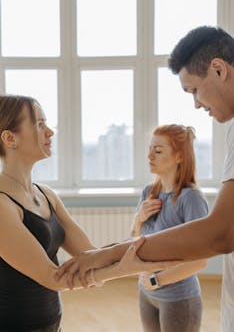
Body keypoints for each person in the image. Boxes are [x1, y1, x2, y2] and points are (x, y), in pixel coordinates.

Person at [56, 26, 234, 332]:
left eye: (193, 90)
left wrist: (110, 258)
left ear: (218, 69)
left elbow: (221, 232)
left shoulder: (190, 196)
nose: (196, 104)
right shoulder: (151, 192)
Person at [0, 94, 177, 332]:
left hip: (51, 322)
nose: (50, 132)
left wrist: (133, 242)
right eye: (39, 124)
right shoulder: (2, 205)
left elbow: (90, 256)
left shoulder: (47, 195)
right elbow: (53, 277)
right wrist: (123, 268)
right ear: (10, 138)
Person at [131, 124, 208, 332]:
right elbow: (134, 243)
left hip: (179, 298)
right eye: (149, 149)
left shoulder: (191, 199)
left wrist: (157, 280)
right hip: (147, 293)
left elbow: (200, 260)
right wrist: (138, 220)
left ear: (179, 156)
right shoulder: (148, 192)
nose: (149, 156)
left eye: (157, 151)